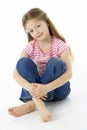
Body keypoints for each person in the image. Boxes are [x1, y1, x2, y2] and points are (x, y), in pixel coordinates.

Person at [8, 8, 73, 122]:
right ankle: (38, 103)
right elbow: (15, 74)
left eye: (38, 26)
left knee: (55, 62)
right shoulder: (30, 47)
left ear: (47, 23)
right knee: (22, 63)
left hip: (57, 89)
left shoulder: (60, 45)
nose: (36, 32)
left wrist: (46, 88)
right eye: (31, 31)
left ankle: (33, 103)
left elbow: (69, 74)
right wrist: (32, 89)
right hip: (36, 91)